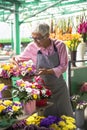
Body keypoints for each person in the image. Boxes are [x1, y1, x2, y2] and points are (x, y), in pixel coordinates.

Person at [11, 23, 73, 117]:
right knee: (45, 116)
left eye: (38, 38)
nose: (35, 42)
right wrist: (14, 59)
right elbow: (21, 59)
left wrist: (48, 71)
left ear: (47, 35)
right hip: (42, 91)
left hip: (59, 88)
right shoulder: (32, 47)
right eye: (33, 38)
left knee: (64, 114)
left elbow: (63, 66)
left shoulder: (60, 45)